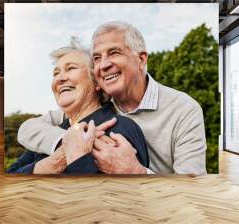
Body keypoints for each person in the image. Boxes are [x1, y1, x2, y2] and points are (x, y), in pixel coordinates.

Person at [18, 21, 207, 175]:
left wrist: (136, 172)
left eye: (114, 52)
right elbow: (28, 129)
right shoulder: (92, 110)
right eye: (97, 58)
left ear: (141, 59)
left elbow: (190, 188)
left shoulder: (184, 109)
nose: (104, 64)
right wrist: (67, 143)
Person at [7, 37, 149, 174]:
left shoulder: (120, 129)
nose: (60, 78)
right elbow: (10, 175)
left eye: (71, 68)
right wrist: (54, 162)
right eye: (56, 73)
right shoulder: (50, 135)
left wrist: (79, 158)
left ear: (96, 82)